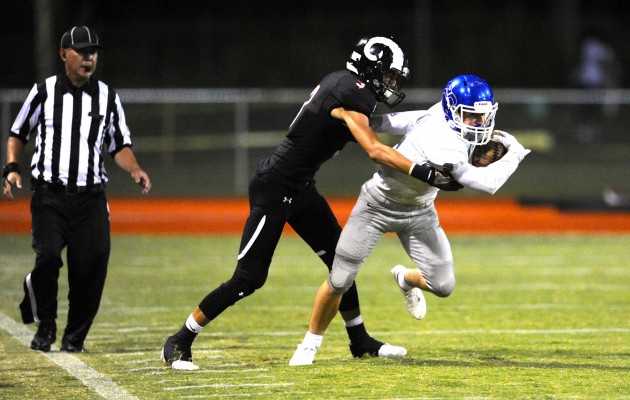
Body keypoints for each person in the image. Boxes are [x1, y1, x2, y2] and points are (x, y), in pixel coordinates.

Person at [161, 36, 460, 370]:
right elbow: (375, 149)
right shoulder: (352, 90)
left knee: (341, 263)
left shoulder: (350, 87)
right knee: (249, 278)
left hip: (301, 188)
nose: (391, 84)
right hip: (275, 188)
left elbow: (382, 125)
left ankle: (359, 341)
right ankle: (179, 340)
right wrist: (428, 174)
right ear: (369, 68)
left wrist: (440, 120)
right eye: (388, 75)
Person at [289, 74, 531, 365]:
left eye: (483, 117)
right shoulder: (445, 146)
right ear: (453, 110)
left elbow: (409, 120)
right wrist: (515, 152)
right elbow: (488, 183)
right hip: (376, 206)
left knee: (443, 285)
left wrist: (373, 123)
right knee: (340, 278)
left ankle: (405, 279)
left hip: (420, 212)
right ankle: (310, 343)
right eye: (472, 117)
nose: (479, 124)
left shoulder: (440, 114)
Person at [2, 25, 151, 353]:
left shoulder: (108, 97)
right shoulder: (44, 91)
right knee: (49, 258)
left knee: (92, 267)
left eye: (93, 52)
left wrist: (135, 168)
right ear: (63, 55)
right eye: (82, 51)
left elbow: (119, 145)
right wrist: (12, 167)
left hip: (91, 198)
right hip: (50, 195)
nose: (89, 57)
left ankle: (74, 337)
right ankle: (47, 325)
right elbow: (17, 133)